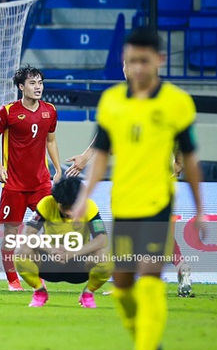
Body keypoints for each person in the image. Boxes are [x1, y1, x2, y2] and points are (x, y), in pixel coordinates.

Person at [71, 27, 204, 350]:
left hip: (159, 203)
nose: (137, 68)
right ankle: (145, 340)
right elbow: (101, 154)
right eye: (130, 61)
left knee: (149, 280)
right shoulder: (112, 102)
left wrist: (200, 207)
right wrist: (84, 195)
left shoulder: (177, 103)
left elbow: (189, 159)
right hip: (124, 204)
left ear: (159, 60)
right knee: (124, 287)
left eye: (144, 60)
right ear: (124, 63)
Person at [65, 71, 196, 299]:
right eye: (128, 63)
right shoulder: (133, 100)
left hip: (142, 177)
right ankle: (179, 267)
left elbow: (108, 143)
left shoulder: (134, 103)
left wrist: (87, 158)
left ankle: (131, 283)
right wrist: (177, 163)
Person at [0, 65, 61, 291]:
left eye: (40, 82)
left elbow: (50, 141)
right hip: (14, 185)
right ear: (21, 87)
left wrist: (58, 169)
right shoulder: (7, 111)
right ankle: (13, 281)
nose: (38, 87)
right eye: (32, 83)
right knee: (10, 234)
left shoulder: (50, 110)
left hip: (40, 182)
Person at [13, 177, 112, 307]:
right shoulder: (47, 204)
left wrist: (73, 253)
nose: (69, 212)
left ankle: (88, 294)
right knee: (21, 250)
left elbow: (102, 239)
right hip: (50, 262)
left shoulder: (89, 206)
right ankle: (39, 291)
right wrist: (50, 249)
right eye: (64, 207)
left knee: (106, 256)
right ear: (56, 200)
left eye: (73, 208)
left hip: (79, 265)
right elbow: (27, 235)